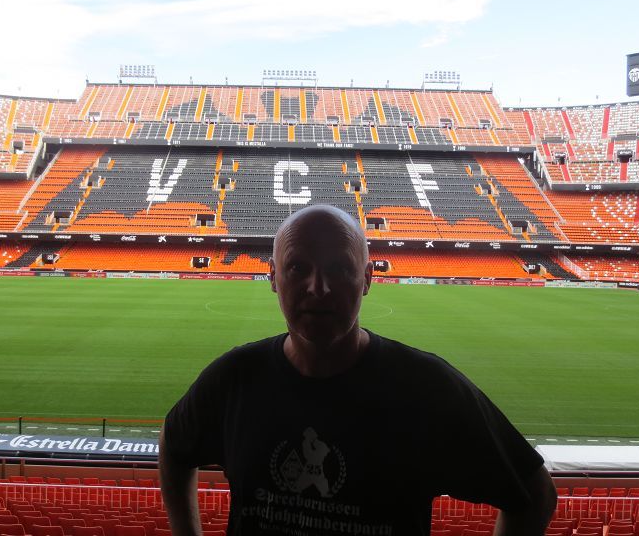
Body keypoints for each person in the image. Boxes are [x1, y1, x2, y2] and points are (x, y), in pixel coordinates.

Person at [160, 205, 557, 536]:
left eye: (338, 268)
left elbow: (535, 493)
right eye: (297, 268)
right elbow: (174, 446)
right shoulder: (234, 379)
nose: (319, 287)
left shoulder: (427, 389)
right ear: (273, 279)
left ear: (367, 279)